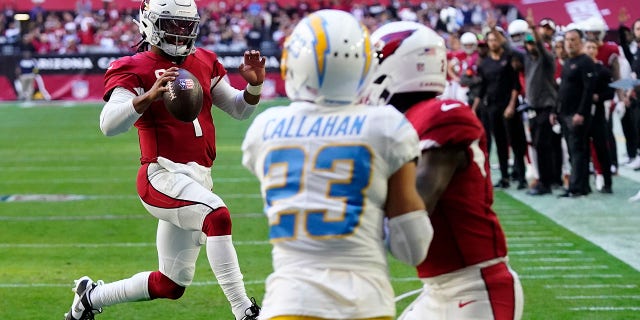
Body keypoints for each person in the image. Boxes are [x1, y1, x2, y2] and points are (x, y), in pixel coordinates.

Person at [63, 0, 264, 319]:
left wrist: (254, 84)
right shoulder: (134, 66)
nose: (180, 33)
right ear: (150, 23)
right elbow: (108, 124)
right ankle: (245, 311)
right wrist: (149, 96)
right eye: (171, 24)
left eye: (186, 25)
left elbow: (239, 109)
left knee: (170, 284)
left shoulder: (205, 60)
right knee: (218, 216)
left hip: (198, 178)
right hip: (162, 176)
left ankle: (89, 297)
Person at [241, 9, 433, 320]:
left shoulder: (265, 129)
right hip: (364, 303)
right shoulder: (385, 126)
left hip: (289, 302)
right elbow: (412, 248)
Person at [365, 21, 523, 320]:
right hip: (439, 288)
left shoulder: (441, 114)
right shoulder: (407, 119)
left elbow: (417, 204)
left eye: (377, 61)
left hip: (474, 288)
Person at [473, 26, 527, 190]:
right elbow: (482, 88)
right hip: (493, 107)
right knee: (500, 143)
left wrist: (511, 105)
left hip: (509, 105)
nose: (492, 43)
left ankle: (521, 176)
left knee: (517, 143)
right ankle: (504, 177)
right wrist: (473, 109)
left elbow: (515, 84)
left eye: (495, 39)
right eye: (489, 40)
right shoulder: (485, 64)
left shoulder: (510, 59)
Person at [551, 28, 596, 198]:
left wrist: (581, 113)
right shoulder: (569, 62)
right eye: (568, 40)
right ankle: (582, 186)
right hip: (565, 113)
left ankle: (576, 187)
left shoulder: (585, 62)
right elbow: (562, 89)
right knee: (573, 151)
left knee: (578, 151)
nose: (569, 43)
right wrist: (556, 110)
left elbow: (588, 90)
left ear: (581, 42)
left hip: (576, 114)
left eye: (573, 40)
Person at [522, 13, 558, 195]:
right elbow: (509, 47)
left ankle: (546, 182)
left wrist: (533, 29)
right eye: (528, 43)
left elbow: (541, 48)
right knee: (538, 145)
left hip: (546, 106)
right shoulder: (528, 59)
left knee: (543, 144)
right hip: (533, 108)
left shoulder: (547, 58)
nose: (530, 45)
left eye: (533, 43)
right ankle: (547, 179)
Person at [584, 39, 614, 193]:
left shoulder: (603, 71)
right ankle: (583, 184)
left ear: (597, 50)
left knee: (602, 149)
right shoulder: (579, 67)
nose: (590, 50)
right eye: (588, 47)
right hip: (582, 114)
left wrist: (598, 97)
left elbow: (611, 92)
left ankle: (607, 182)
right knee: (581, 151)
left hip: (598, 115)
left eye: (593, 47)